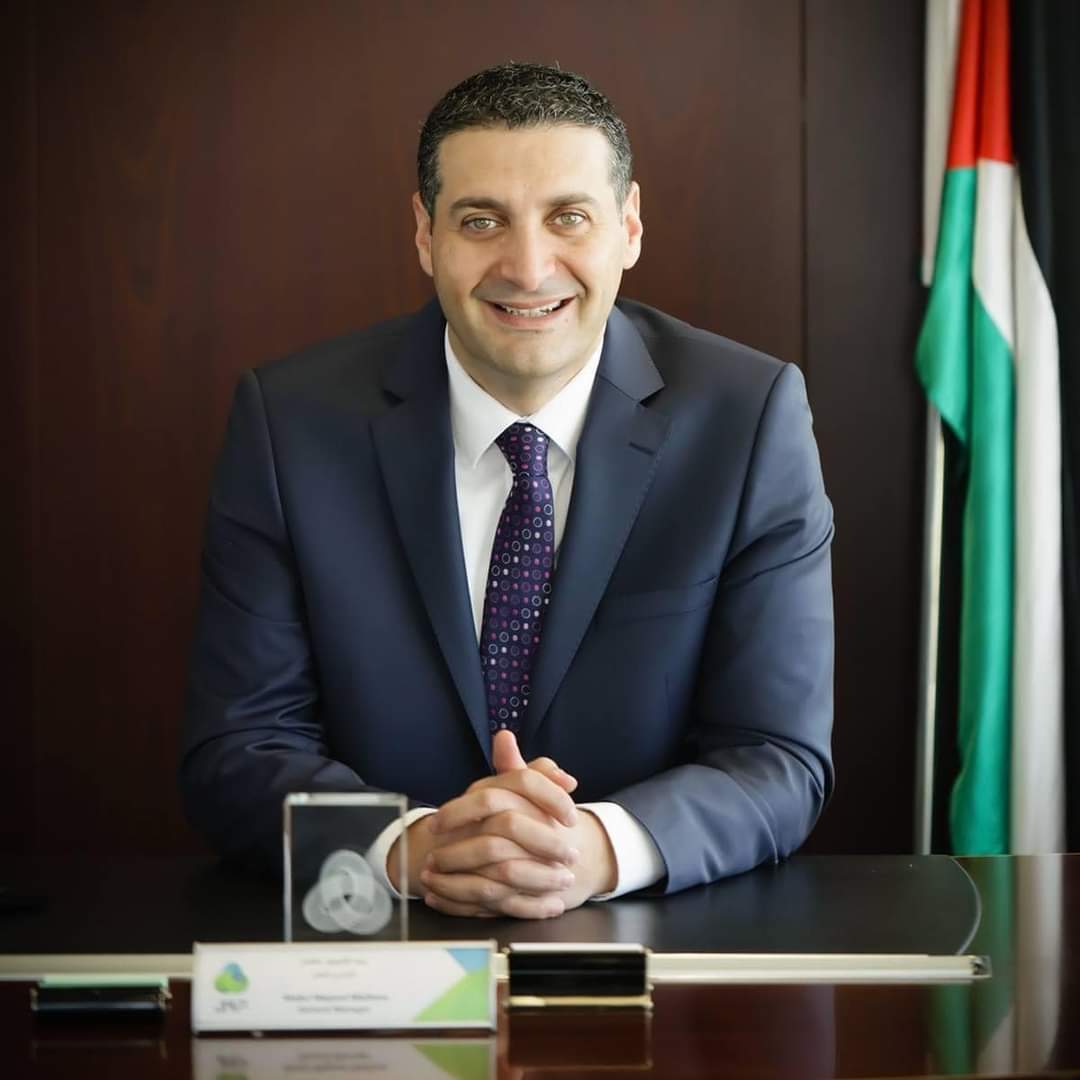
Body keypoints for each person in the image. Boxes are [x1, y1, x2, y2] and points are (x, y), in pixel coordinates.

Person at [181, 62, 834, 920]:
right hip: (374, 945)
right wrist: (408, 848)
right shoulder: (290, 424)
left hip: (659, 947)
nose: (527, 268)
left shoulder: (748, 419)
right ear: (426, 235)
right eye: (481, 220)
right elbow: (238, 747)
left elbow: (778, 757)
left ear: (629, 226)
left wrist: (591, 850)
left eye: (569, 217)